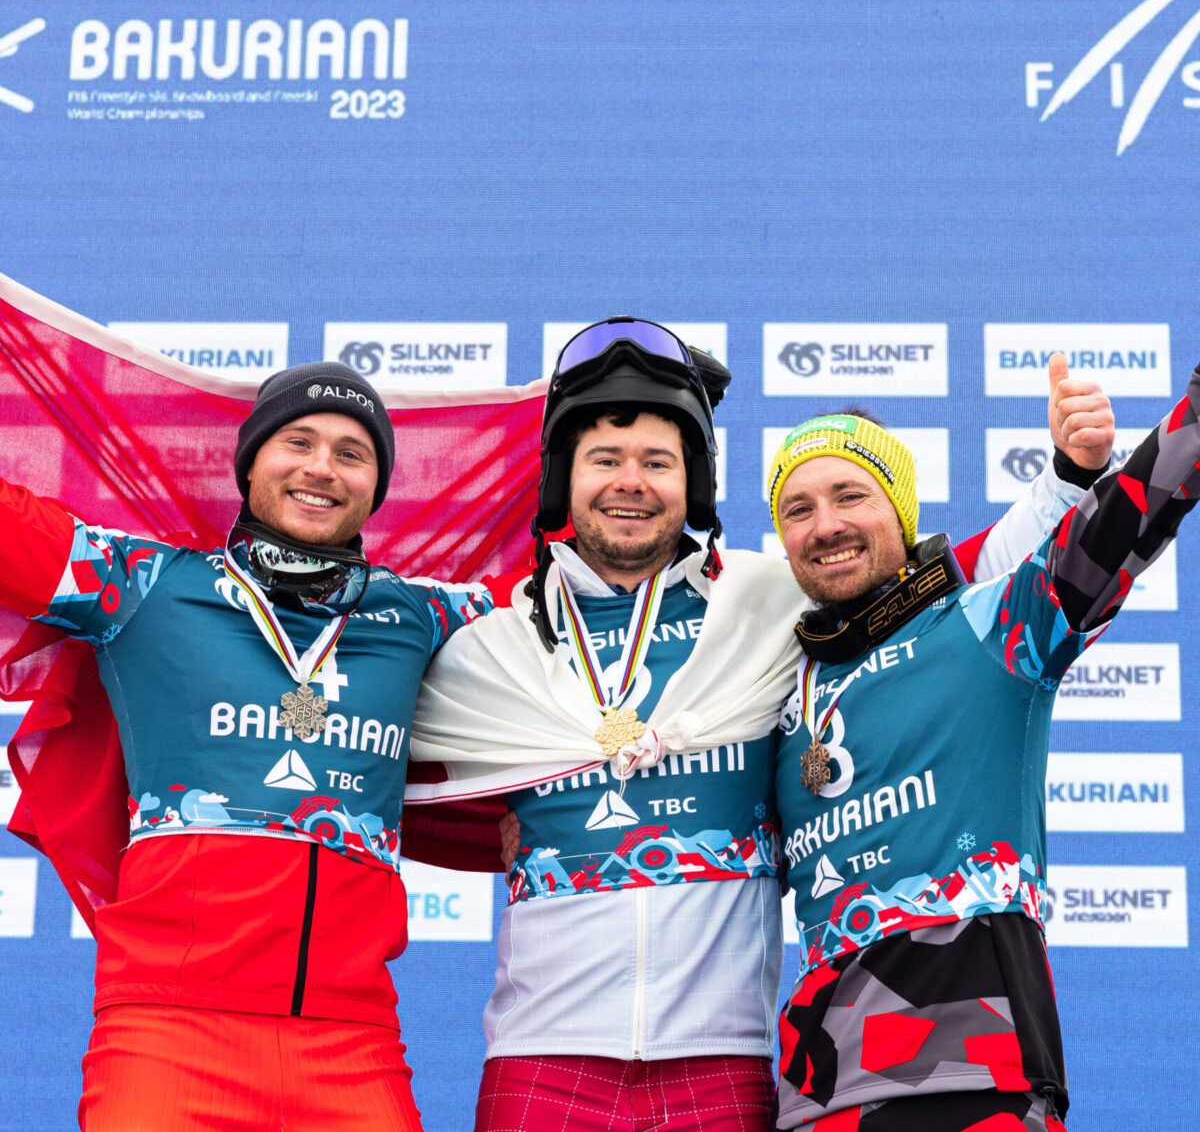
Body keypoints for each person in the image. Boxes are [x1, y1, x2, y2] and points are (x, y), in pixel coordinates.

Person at [409, 318, 1114, 1131]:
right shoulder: (492, 636)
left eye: (658, 463)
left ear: (695, 483)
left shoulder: (774, 601)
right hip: (540, 1061)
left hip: (723, 1066)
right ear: (563, 481)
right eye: (604, 460)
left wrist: (1065, 479)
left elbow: (958, 589)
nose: (629, 482)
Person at [0, 361, 490, 1131]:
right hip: (165, 1033)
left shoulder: (427, 616)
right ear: (250, 462)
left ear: (375, 487)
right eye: (297, 441)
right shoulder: (143, 585)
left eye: (352, 453)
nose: (322, 467)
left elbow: (582, 585)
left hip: (352, 1045)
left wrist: (638, 412)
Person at [768, 356, 1198, 1130]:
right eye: (797, 509)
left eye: (850, 495)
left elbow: (1128, 519)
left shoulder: (991, 624)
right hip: (815, 1099)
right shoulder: (775, 691)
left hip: (978, 1076)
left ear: (899, 512)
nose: (824, 523)